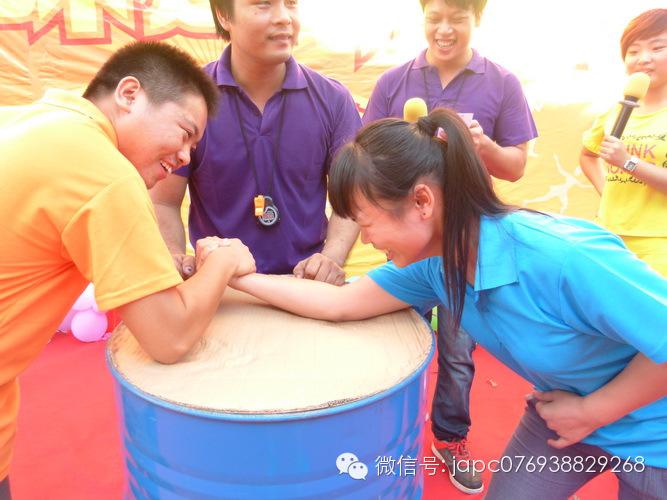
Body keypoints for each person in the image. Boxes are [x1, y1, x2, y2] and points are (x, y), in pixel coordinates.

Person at [231, 109, 667, 499]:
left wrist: (593, 412)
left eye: (366, 222)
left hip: (650, 428)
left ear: (422, 201)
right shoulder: (436, 266)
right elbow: (340, 303)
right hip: (564, 409)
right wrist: (237, 277)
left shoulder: (559, 257)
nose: (365, 240)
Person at [0, 41, 256, 498]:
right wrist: (224, 260)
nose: (186, 157)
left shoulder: (36, 118)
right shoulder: (106, 173)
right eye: (185, 132)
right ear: (129, 94)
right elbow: (168, 336)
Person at [356, 0, 537, 492]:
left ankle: (449, 438)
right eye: (434, 17)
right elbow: (364, 156)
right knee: (393, 339)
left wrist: (481, 147)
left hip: (465, 246)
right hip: (409, 242)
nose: (444, 29)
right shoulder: (394, 82)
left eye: (456, 17)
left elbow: (516, 166)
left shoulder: (502, 83)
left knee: (458, 351)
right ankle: (386, 434)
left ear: (477, 18)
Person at [150, 0, 361, 286]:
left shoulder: (333, 100)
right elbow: (163, 201)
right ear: (224, 15)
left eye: (291, 3)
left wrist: (330, 258)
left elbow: (352, 199)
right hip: (221, 289)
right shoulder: (188, 99)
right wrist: (174, 256)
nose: (284, 18)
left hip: (305, 288)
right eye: (263, 4)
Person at [580, 8, 667, 277]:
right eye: (633, 51)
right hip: (609, 236)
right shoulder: (615, 111)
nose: (643, 59)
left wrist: (628, 162)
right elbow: (588, 155)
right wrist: (606, 191)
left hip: (659, 241)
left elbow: (622, 160)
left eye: (657, 48)